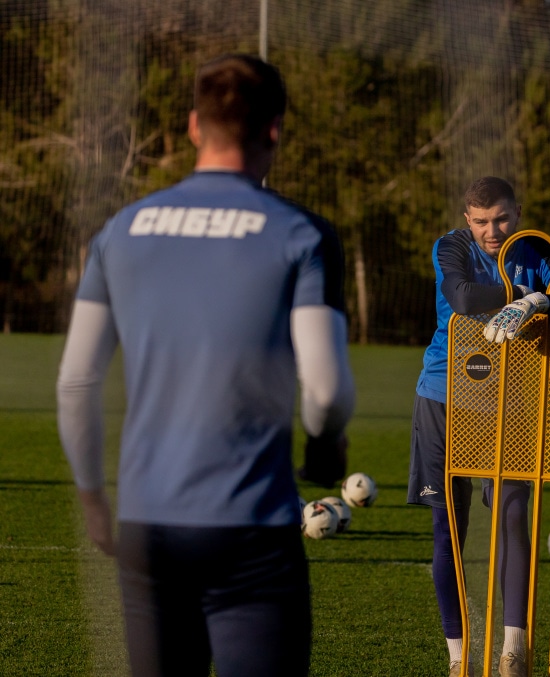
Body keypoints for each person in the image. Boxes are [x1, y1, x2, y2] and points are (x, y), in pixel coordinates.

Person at [56, 54, 355, 677]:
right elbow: (325, 390)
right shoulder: (303, 234)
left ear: (194, 127)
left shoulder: (120, 230)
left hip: (149, 525)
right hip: (252, 528)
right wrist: (325, 445)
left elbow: (76, 382)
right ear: (274, 129)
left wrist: (92, 498)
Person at [408, 176, 550, 677]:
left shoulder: (536, 251)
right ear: (467, 218)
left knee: (513, 518)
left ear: (518, 212)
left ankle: (514, 651)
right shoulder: (450, 246)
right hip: (443, 398)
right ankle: (457, 658)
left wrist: (541, 302)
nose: (492, 231)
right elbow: (465, 298)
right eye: (481, 221)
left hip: (510, 406)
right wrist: (518, 292)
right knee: (448, 529)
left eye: (502, 219)